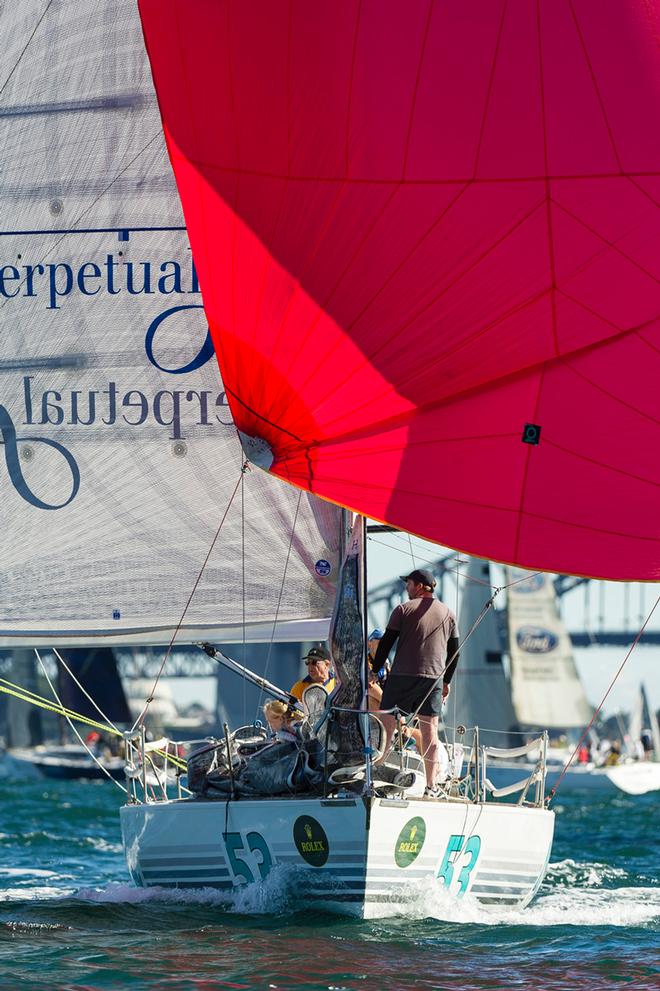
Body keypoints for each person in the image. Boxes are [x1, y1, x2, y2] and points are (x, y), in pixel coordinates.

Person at [371, 568, 459, 798]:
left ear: (419, 586)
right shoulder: (449, 613)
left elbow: (386, 644)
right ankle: (431, 786)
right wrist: (446, 681)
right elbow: (455, 653)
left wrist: (373, 670)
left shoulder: (402, 609)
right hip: (433, 680)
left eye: (408, 584)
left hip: (401, 676)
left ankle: (376, 770)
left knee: (387, 723)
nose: (406, 588)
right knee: (430, 731)